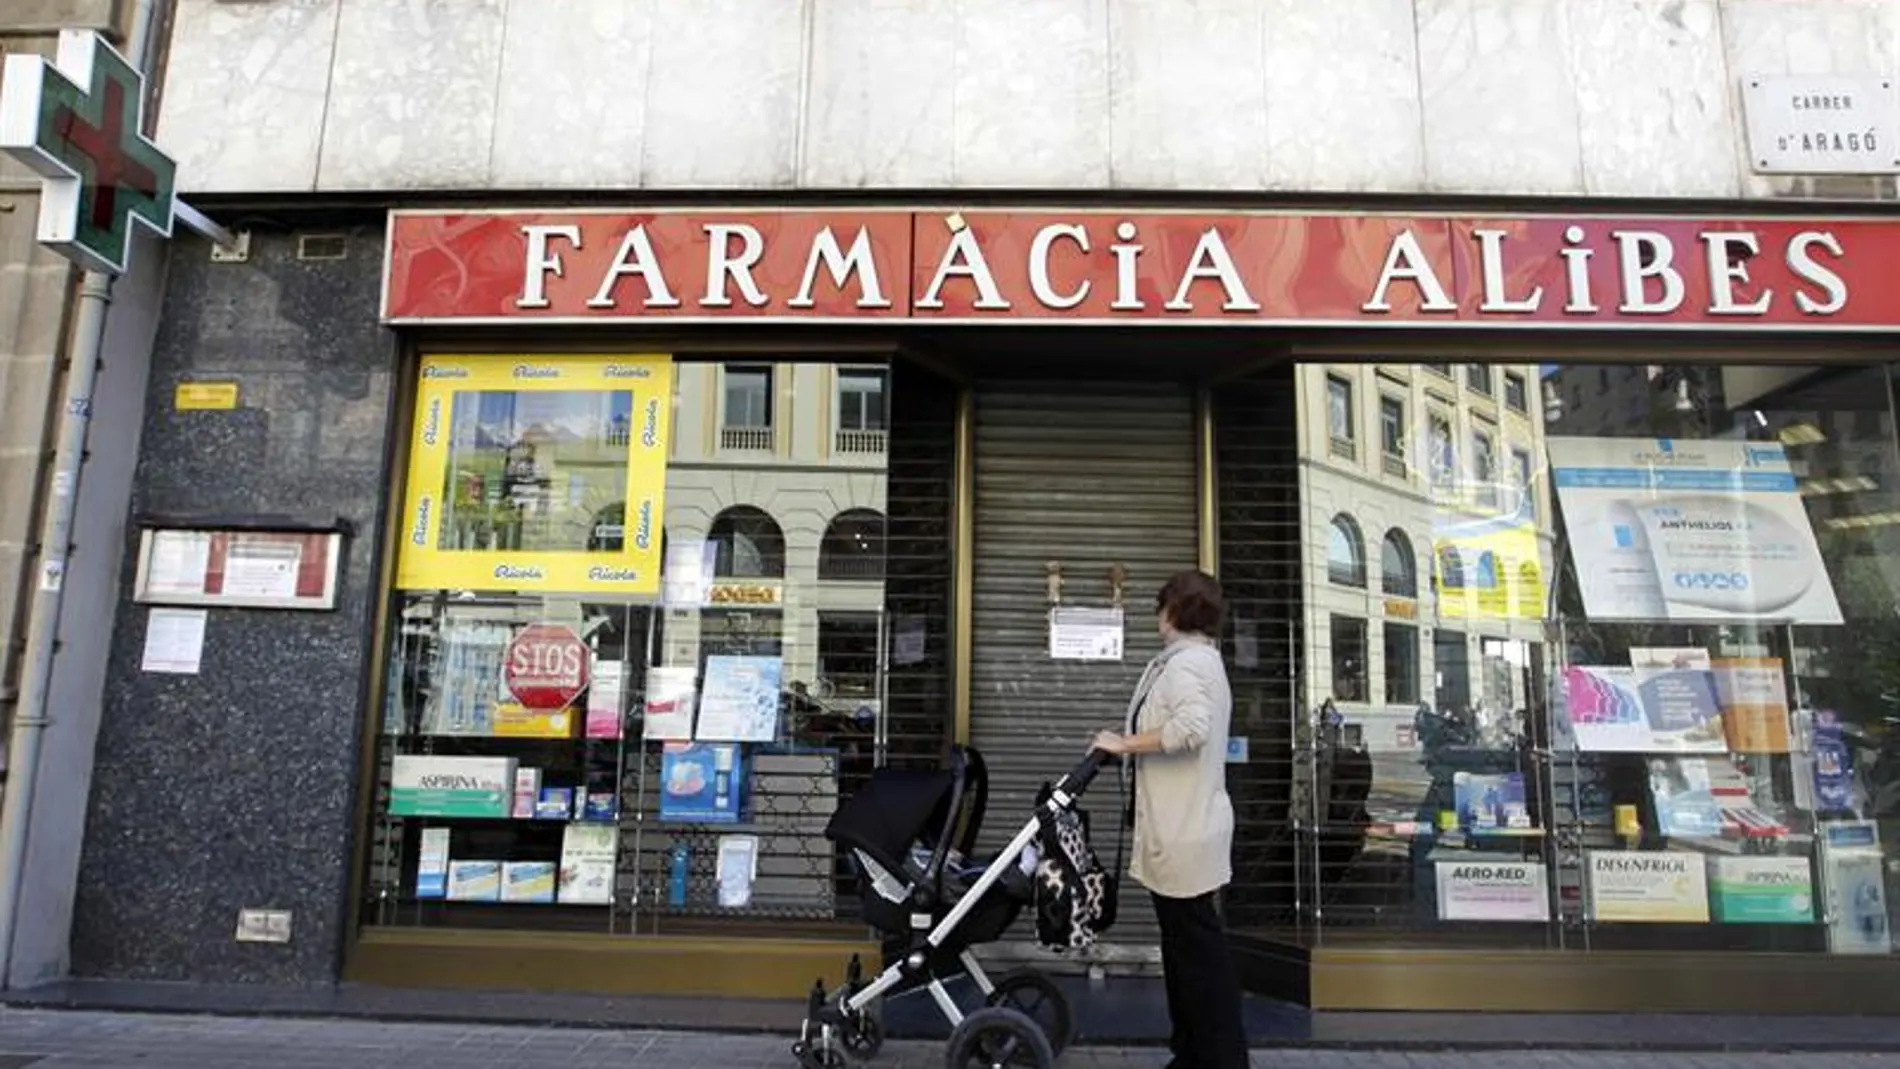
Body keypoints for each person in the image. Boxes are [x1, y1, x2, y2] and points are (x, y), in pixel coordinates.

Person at [1093, 569, 1246, 1069]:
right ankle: (1193, 1055)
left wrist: (1124, 744)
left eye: (1162, 604)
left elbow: (1191, 728)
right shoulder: (1196, 660)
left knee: (1197, 959)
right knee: (1187, 956)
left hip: (1185, 834)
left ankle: (1219, 1059)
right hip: (1187, 829)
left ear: (1176, 611)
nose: (1156, 613)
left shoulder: (1186, 665)